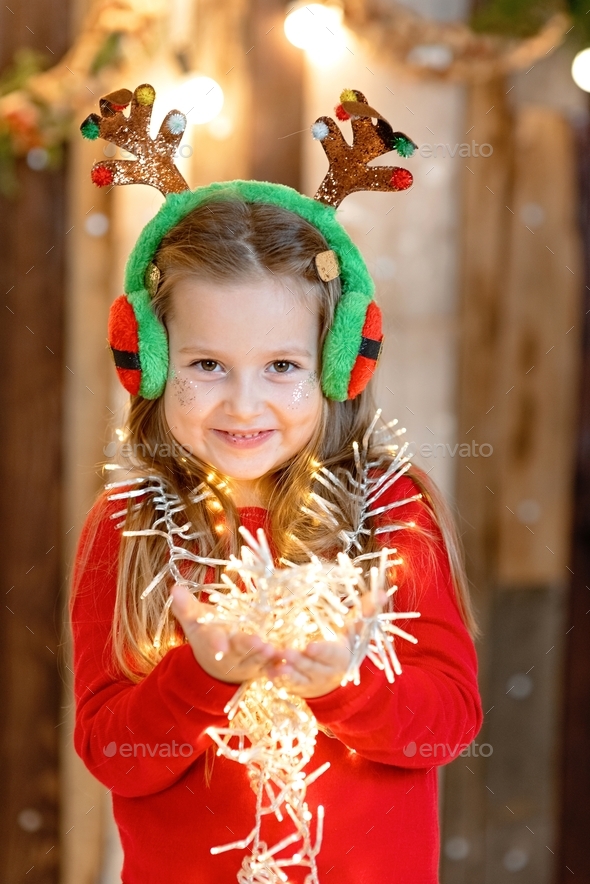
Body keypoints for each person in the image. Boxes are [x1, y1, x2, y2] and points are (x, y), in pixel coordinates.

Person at [71, 84, 483, 884]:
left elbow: (447, 727)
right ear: (148, 360)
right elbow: (114, 755)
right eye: (206, 365)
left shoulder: (392, 510)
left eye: (284, 366)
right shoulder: (128, 527)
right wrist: (200, 680)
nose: (245, 403)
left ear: (340, 364)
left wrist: (345, 688)